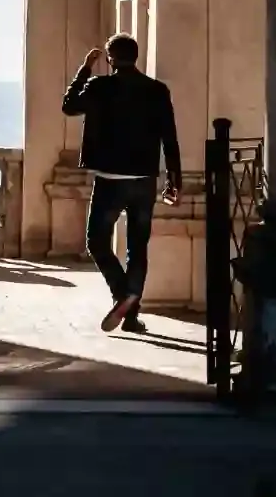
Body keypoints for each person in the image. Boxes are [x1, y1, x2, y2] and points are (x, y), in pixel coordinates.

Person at [62, 32, 182, 333]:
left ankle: (122, 294)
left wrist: (86, 68)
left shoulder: (100, 86)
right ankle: (130, 313)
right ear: (136, 56)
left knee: (97, 241)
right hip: (144, 180)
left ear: (110, 58)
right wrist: (174, 179)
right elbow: (170, 137)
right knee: (137, 247)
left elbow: (69, 105)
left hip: (110, 179)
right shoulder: (157, 90)